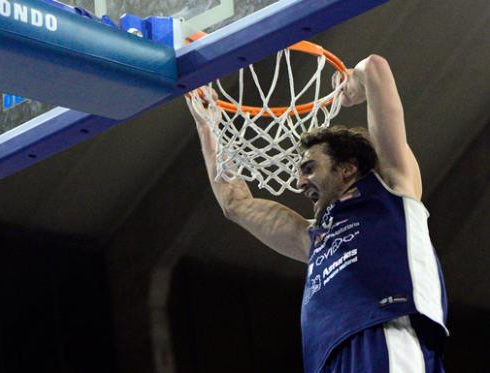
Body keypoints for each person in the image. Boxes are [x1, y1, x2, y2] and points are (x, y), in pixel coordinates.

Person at [187, 55, 448, 372]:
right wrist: (207, 123)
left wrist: (357, 82)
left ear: (348, 168)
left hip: (384, 337)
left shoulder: (392, 190)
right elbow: (235, 204)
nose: (299, 182)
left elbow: (376, 66)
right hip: (327, 361)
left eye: (310, 168)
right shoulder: (314, 237)